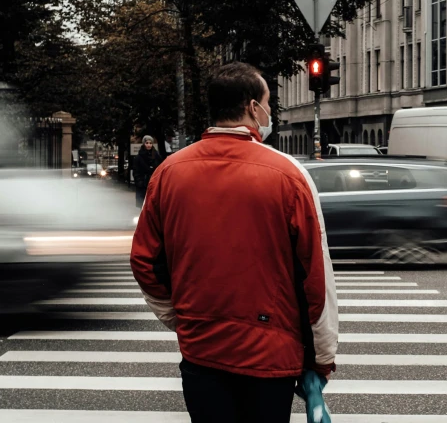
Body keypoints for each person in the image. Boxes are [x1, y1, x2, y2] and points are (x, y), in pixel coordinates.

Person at [130, 62, 338, 423]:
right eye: (268, 103)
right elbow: (316, 276)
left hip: (201, 350)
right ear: (252, 108)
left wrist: (179, 318)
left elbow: (145, 261)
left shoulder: (168, 173)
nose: (270, 112)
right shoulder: (289, 175)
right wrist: (322, 357)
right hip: (270, 356)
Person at [133, 136, 163, 208]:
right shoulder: (139, 157)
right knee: (143, 205)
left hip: (154, 183)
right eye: (147, 143)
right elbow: (136, 171)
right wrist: (139, 182)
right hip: (143, 184)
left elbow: (160, 168)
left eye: (150, 143)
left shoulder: (157, 156)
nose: (149, 145)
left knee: (154, 205)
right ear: (144, 144)